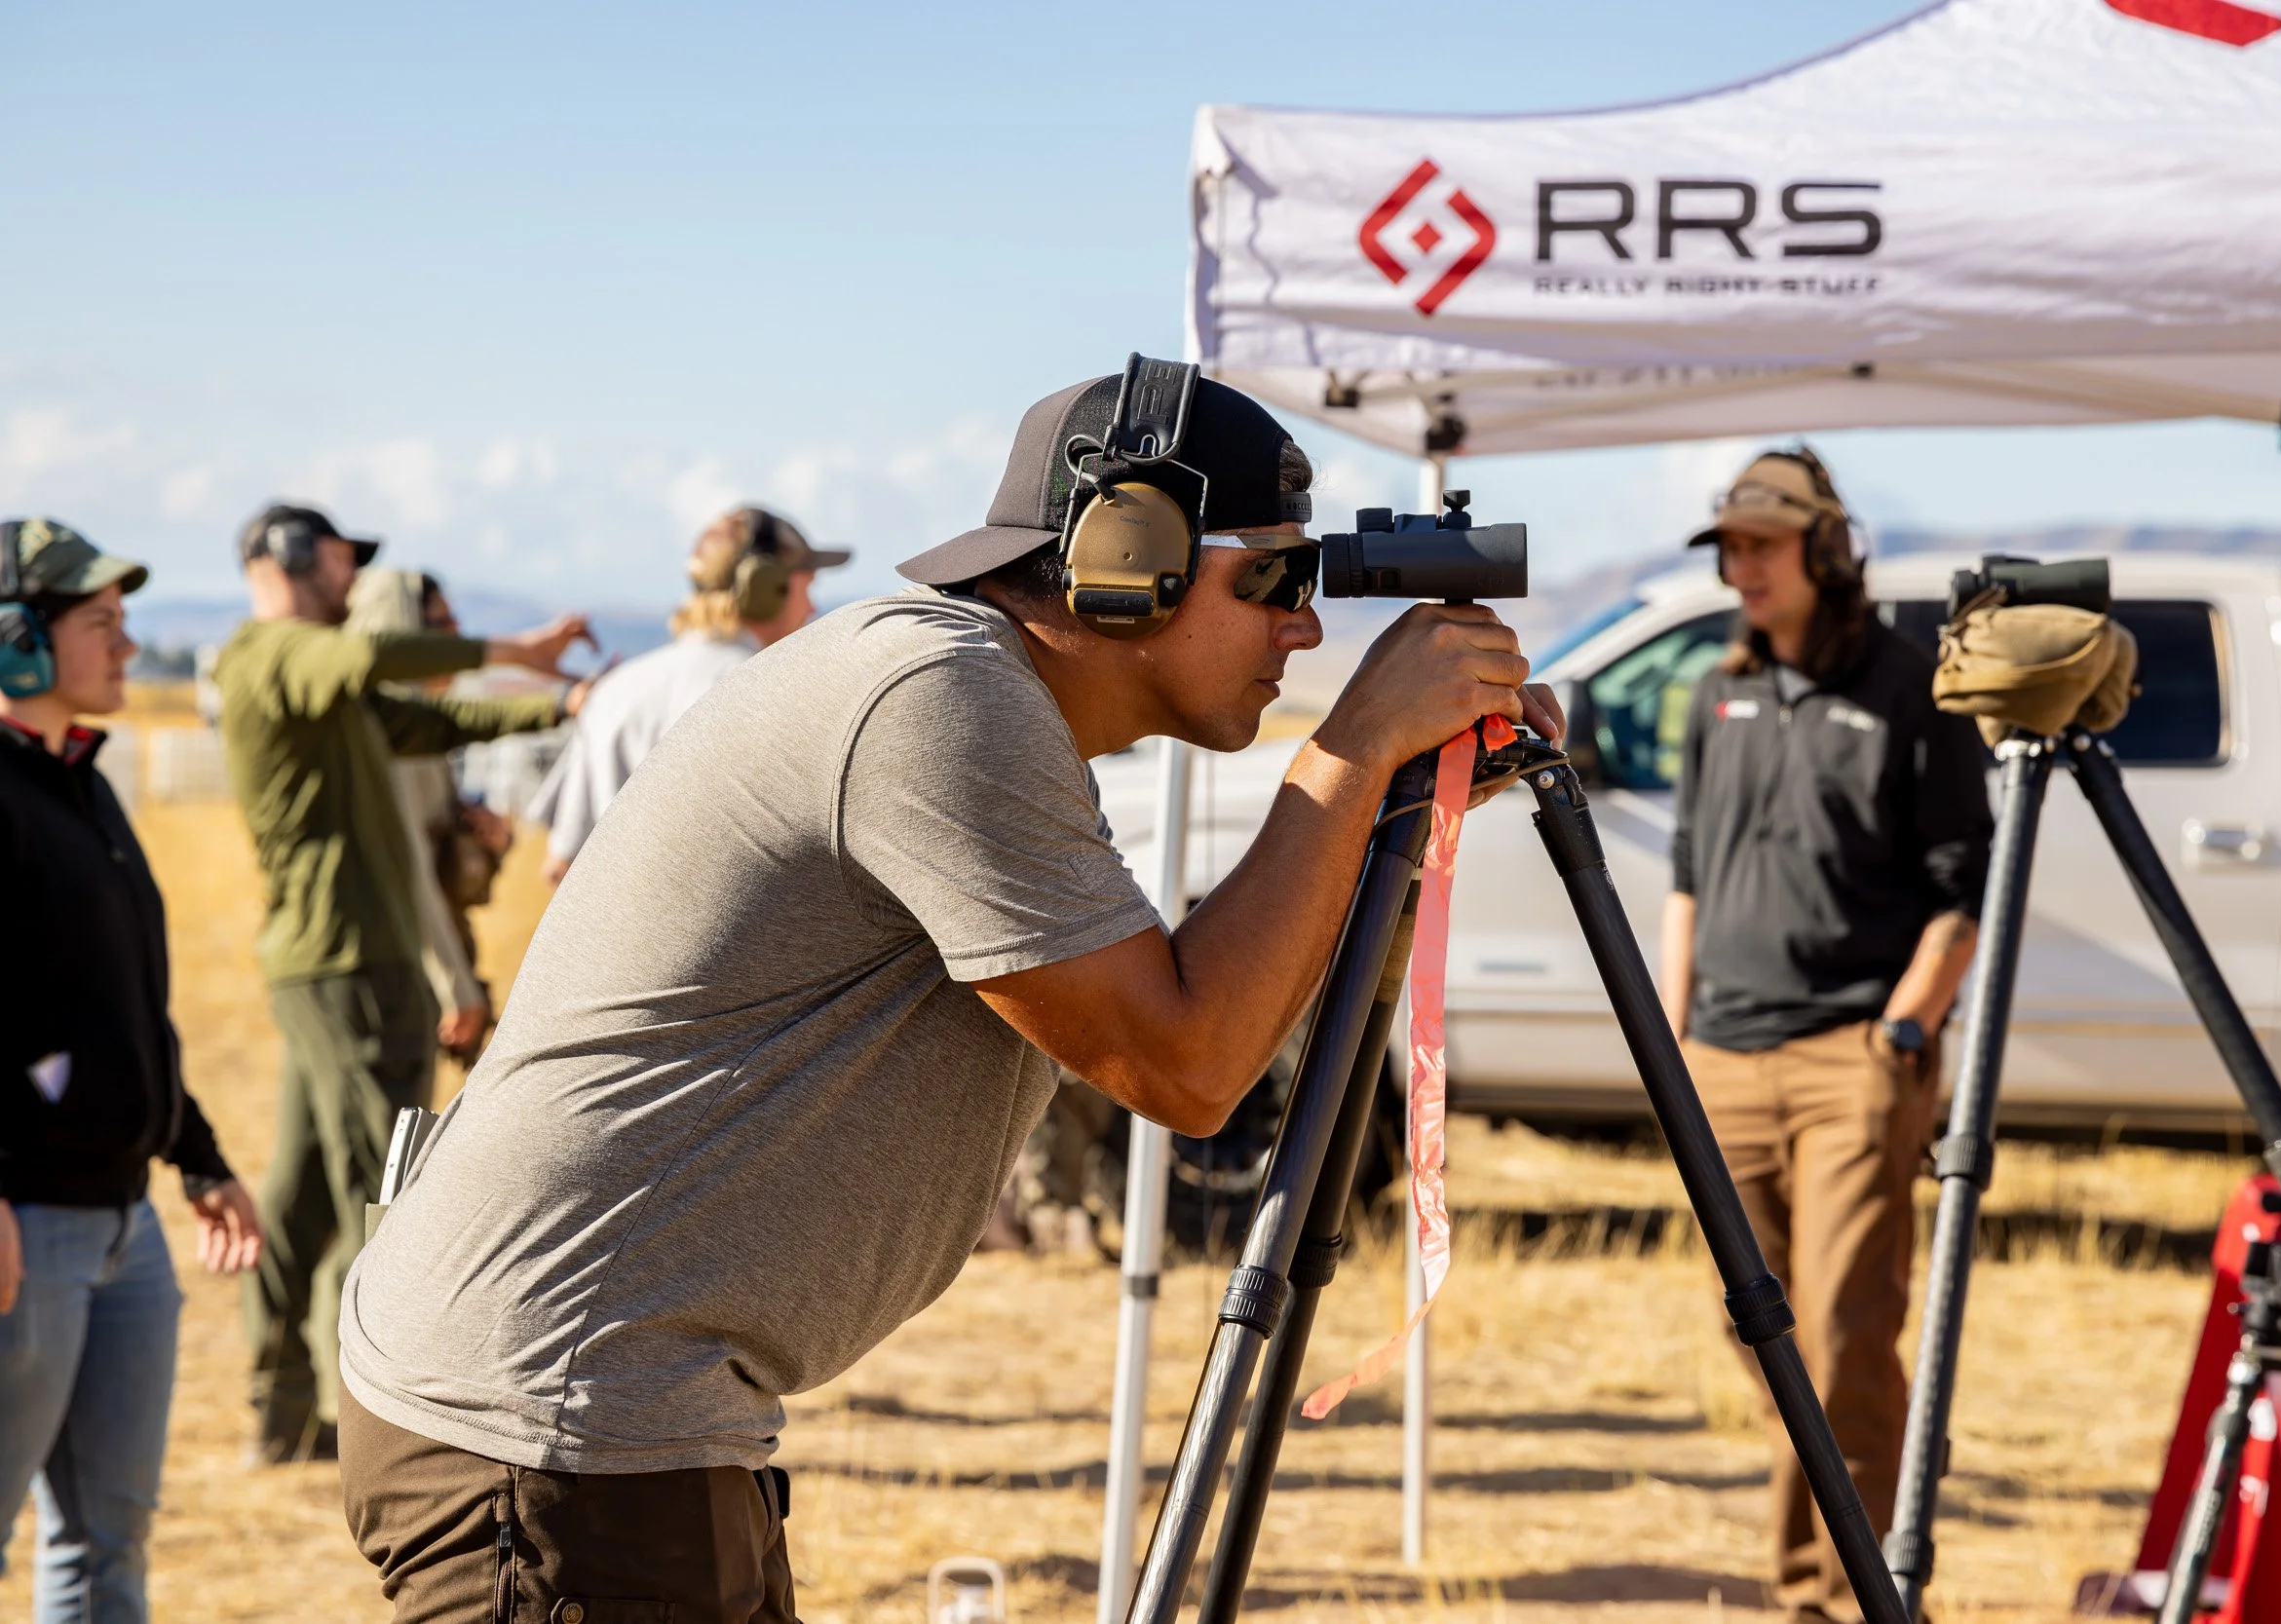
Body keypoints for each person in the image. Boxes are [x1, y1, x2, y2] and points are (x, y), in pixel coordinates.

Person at [335, 365, 1560, 1621]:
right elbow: (1187, 1064)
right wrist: (1352, 753)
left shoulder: (984, 700)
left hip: (619, 1409)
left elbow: (1195, 1015)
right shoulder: (940, 701)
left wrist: (1396, 799)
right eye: (1273, 582)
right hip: (550, 1420)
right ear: (1122, 556)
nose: (1303, 630)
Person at [1656, 450, 1993, 1624]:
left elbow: (1964, 887)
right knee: (1760, 1330)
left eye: (1760, 544)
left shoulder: (1915, 688)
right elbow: (1689, 876)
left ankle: (1847, 1595)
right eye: (1727, 547)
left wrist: (1904, 1029)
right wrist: (1671, 1046)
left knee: (1846, 1329)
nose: (1739, 566)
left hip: (1855, 1053)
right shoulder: (1714, 689)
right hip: (1722, 1059)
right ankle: (1841, 1565)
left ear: (1827, 550)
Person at [215, 502, 598, 1465]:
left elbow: (430, 719)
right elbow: (367, 661)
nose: (352, 576)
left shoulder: (320, 673)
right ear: (295, 556)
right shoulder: (274, 655)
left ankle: (285, 1406)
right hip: (347, 970)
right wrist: (518, 648)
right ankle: (383, 1424)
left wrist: (553, 705)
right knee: (383, 1192)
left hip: (349, 966)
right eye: (344, 557)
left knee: (307, 1189)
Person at [0, 517, 266, 1622]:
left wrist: (196, 1157)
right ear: (17, 637)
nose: (125, 645)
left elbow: (123, 1013)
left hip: (122, 1228)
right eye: (98, 623)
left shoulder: (83, 783)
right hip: (27, 1227)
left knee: (110, 1544)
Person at [526, 506, 850, 883]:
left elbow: (560, 865)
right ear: (766, 587)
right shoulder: (773, 693)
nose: (812, 607)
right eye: (806, 586)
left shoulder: (614, 691)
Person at [345, 568, 515, 1065]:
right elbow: (409, 872)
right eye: (441, 624)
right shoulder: (396, 738)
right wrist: (456, 985)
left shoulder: (415, 729)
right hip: (396, 971)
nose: (454, 637)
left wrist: (488, 839)